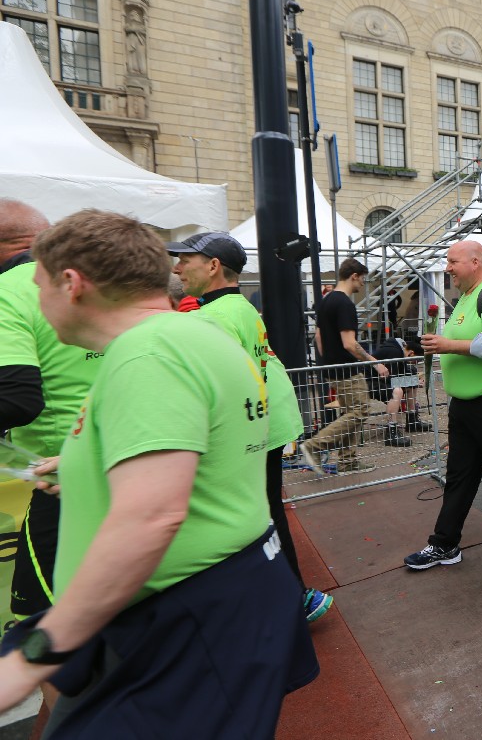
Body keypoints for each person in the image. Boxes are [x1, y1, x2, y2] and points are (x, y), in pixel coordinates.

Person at [0, 210, 316, 735]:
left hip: (183, 619)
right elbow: (204, 447)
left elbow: (152, 517)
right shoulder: (190, 335)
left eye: (39, 287)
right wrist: (85, 466)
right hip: (213, 600)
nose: (37, 302)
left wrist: (38, 653)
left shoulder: (146, 355)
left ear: (72, 284)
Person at [167, 231, 334, 624]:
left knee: (257, 516)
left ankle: (289, 599)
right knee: (267, 511)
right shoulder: (236, 306)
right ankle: (292, 596)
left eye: (185, 260)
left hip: (255, 425)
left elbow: (218, 386)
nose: (176, 268)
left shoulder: (213, 317)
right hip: (269, 419)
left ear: (213, 266)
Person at [0, 201, 100, 669]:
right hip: (123, 462)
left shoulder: (10, 289)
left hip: (61, 481)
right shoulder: (98, 281)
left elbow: (19, 397)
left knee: (45, 632)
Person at [403, 240, 482, 569]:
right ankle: (444, 543)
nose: (447, 268)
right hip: (463, 405)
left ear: (475, 262)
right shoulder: (466, 296)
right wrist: (439, 347)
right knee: (459, 475)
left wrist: (446, 345)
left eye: (452, 262)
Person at [301, 258, 390, 472]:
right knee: (360, 411)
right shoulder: (344, 304)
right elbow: (350, 344)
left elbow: (319, 337)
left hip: (332, 369)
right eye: (362, 279)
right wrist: (374, 362)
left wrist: (328, 361)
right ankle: (314, 445)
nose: (362, 284)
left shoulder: (326, 301)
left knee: (350, 413)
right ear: (354, 276)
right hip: (347, 370)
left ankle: (347, 461)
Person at [367, 335, 417, 448]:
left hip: (377, 380)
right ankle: (391, 432)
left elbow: (395, 375)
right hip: (368, 381)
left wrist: (414, 380)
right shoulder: (394, 352)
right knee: (397, 391)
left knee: (412, 381)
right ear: (411, 353)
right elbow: (392, 378)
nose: (414, 362)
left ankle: (412, 420)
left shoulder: (398, 350)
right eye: (415, 360)